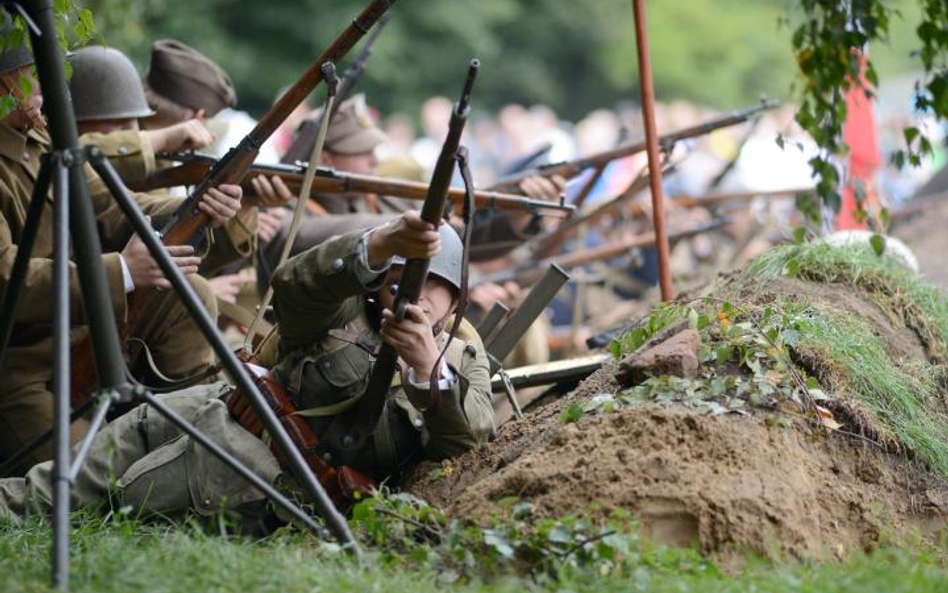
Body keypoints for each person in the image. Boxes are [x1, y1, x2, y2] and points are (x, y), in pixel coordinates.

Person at [0, 213, 494, 525]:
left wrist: (428, 372)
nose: (416, 291)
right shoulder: (340, 308)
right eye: (403, 274)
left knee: (111, 505)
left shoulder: (463, 364)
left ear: (455, 298)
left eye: (434, 283)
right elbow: (296, 285)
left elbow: (466, 445)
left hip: (251, 474)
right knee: (50, 487)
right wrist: (376, 244)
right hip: (209, 408)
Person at [0, 35, 243, 472]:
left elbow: (115, 205)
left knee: (186, 293)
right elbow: (6, 283)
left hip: (81, 333)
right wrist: (123, 271)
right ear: (2, 84)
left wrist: (199, 205)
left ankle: (193, 430)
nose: (46, 81)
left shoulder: (39, 137)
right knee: (103, 482)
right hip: (19, 369)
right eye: (30, 70)